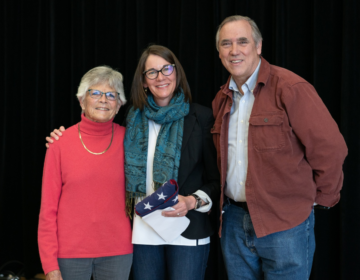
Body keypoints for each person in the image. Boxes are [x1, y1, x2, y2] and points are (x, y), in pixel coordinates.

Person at [46, 45, 220, 280]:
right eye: (152, 72)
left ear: (177, 73)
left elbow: (217, 179)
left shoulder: (201, 118)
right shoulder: (133, 121)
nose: (160, 77)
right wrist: (60, 138)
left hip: (187, 230)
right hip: (143, 233)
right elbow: (94, 136)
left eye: (166, 69)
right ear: (144, 81)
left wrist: (192, 201)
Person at [211, 15, 348, 280]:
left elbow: (330, 148)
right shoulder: (221, 98)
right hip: (234, 224)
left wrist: (322, 197)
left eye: (242, 42)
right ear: (219, 52)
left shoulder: (290, 88)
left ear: (259, 46)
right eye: (226, 44)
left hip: (286, 224)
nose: (234, 50)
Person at [39, 66, 133, 280]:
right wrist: (49, 265)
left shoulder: (131, 141)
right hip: (69, 255)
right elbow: (48, 210)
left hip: (118, 252)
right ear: (82, 100)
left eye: (111, 95)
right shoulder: (59, 144)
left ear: (119, 105)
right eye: (96, 93)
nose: (104, 100)